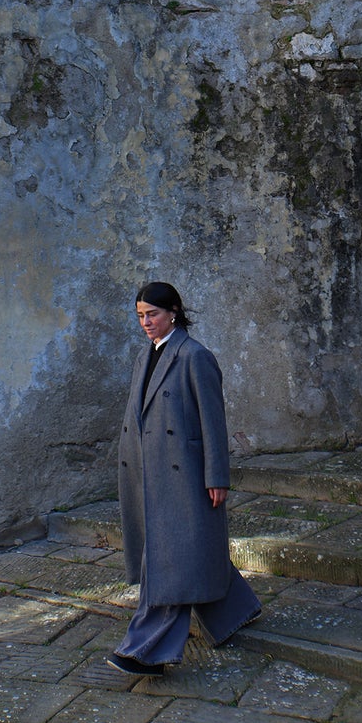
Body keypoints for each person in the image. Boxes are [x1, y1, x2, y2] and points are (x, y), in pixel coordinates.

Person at [110, 281, 262, 675]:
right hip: (149, 473)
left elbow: (213, 422)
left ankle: (147, 651)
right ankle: (237, 609)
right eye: (140, 315)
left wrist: (217, 476)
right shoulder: (146, 356)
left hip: (185, 477)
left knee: (171, 561)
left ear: (174, 311)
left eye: (153, 314)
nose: (146, 323)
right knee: (188, 553)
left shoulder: (195, 356)